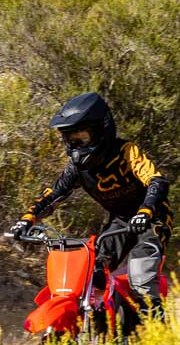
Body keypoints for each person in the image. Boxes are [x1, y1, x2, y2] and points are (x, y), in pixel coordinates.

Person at [9, 91, 170, 326]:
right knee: (92, 271)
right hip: (120, 221)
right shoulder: (77, 169)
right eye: (70, 140)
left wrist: (145, 211)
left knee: (140, 275)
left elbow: (156, 180)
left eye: (81, 139)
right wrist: (27, 219)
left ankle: (158, 333)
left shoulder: (125, 152)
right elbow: (54, 194)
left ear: (101, 130)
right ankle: (103, 326)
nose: (75, 147)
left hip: (152, 218)